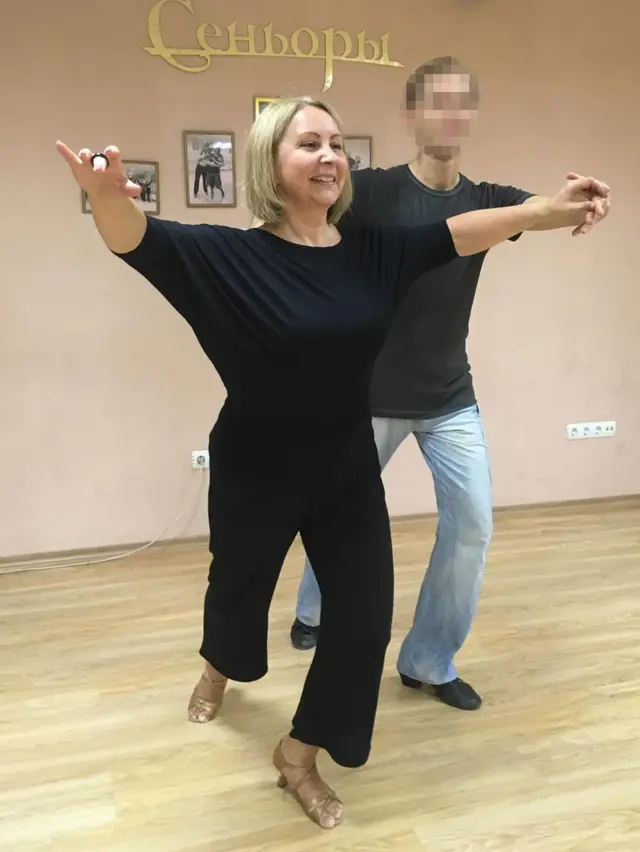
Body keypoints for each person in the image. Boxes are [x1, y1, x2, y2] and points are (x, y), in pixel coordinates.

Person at [56, 96, 606, 830]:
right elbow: (138, 238)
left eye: (337, 144)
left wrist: (548, 211)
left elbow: (464, 230)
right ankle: (220, 666)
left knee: (363, 622)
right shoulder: (229, 258)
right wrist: (102, 199)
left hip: (345, 464)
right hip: (256, 462)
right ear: (268, 163)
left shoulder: (374, 252)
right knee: (240, 583)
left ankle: (299, 753)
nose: (329, 156)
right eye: (308, 143)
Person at [290, 57, 611, 712]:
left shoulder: (485, 200)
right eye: (436, 102)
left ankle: (429, 661)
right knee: (336, 514)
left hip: (448, 398)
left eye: (462, 102)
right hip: (369, 393)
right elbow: (304, 211)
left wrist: (580, 201)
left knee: (471, 525)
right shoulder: (373, 191)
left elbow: (541, 210)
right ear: (412, 114)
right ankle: (313, 608)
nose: (450, 113)